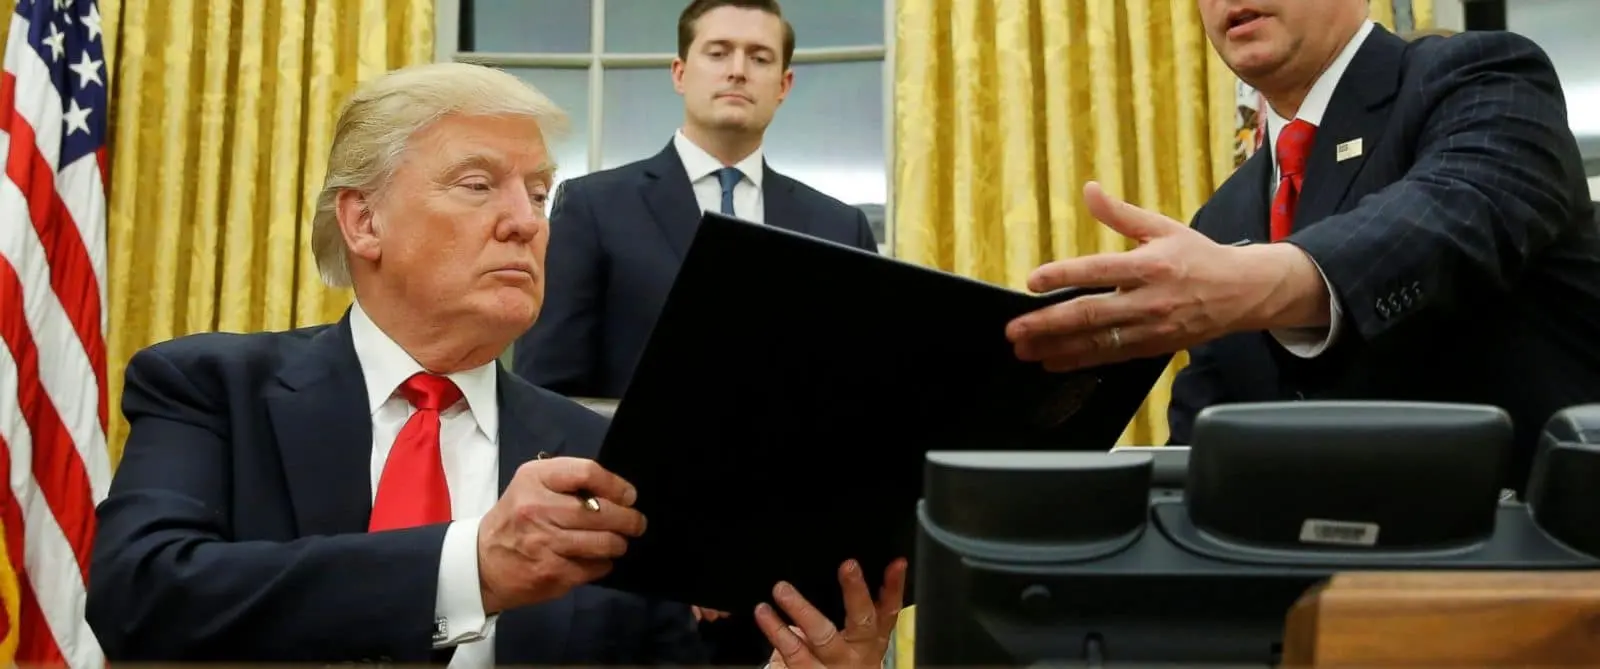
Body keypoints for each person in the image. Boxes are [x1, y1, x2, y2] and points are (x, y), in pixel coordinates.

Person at [85, 61, 905, 667]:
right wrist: (469, 565)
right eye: (479, 185)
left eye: (540, 194)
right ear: (363, 221)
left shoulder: (599, 457)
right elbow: (138, 597)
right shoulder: (209, 386)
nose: (527, 223)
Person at [1004, 0, 1600, 492]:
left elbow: (1454, 214)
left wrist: (1266, 283)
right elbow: (1199, 451)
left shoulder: (1483, 74)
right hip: (1296, 614)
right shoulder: (1222, 217)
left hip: (1532, 585)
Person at [512, 0, 881, 400]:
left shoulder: (841, 227)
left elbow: (869, 388)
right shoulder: (592, 207)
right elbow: (544, 394)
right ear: (680, 73)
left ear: (783, 86)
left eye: (759, 58)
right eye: (718, 53)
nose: (738, 70)